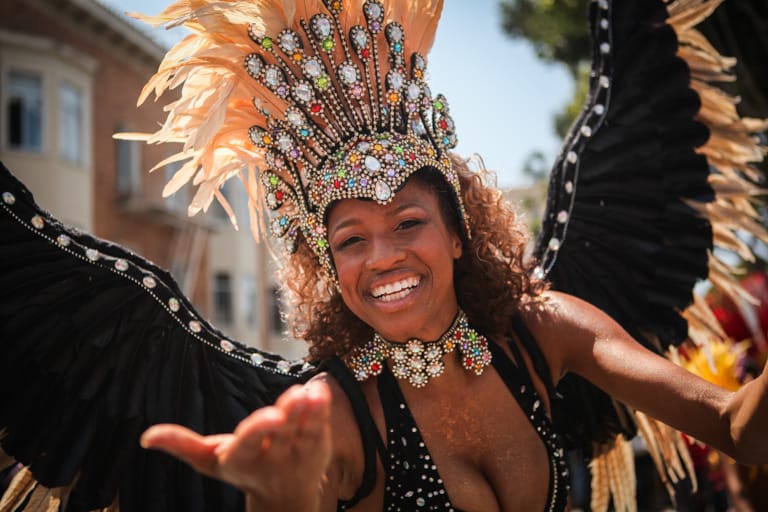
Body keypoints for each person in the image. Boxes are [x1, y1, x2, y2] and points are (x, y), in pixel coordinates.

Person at [0, 0, 767, 511]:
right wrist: (282, 493)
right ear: (330, 270)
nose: (383, 257)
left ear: (459, 233)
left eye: (407, 222)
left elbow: (737, 425)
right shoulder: (339, 412)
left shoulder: (544, 330)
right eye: (350, 240)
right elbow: (297, 487)